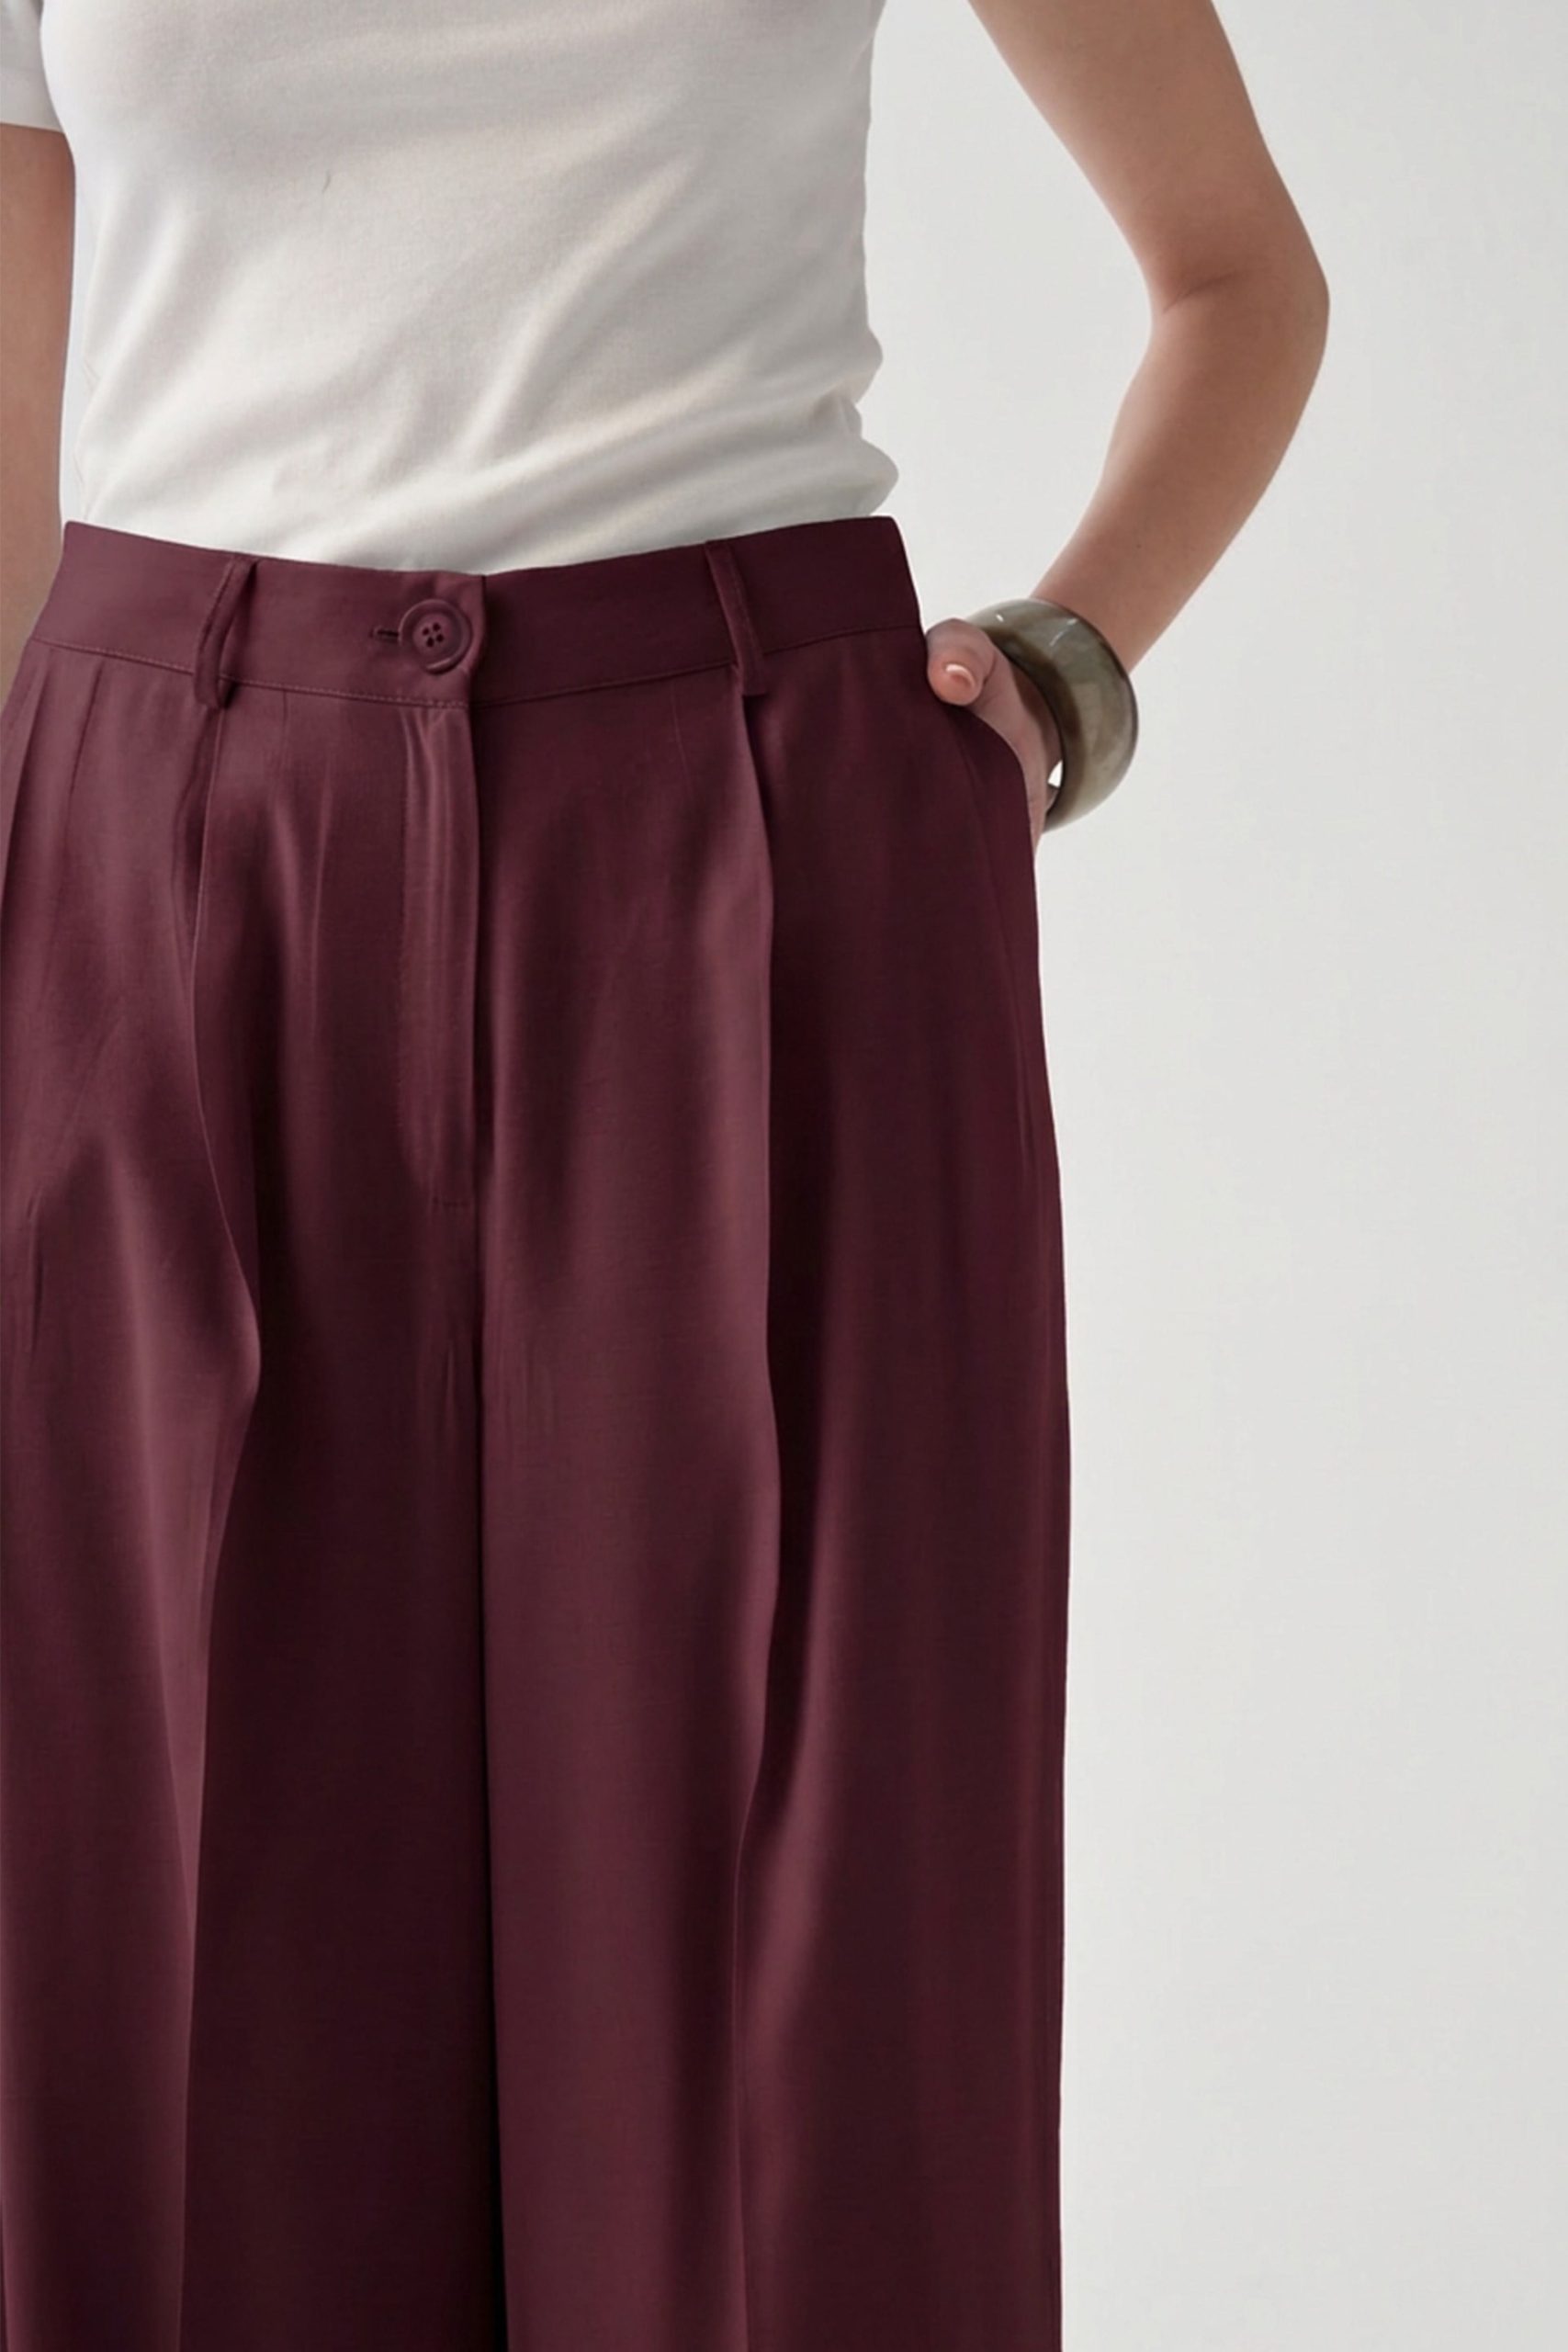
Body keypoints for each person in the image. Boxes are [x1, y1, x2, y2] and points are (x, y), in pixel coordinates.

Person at [0, 2, 1326, 2346]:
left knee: (785, 2036)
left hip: (750, 863)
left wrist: (1069, 665)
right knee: (159, 1964)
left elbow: (1234, 272)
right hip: (153, 874)